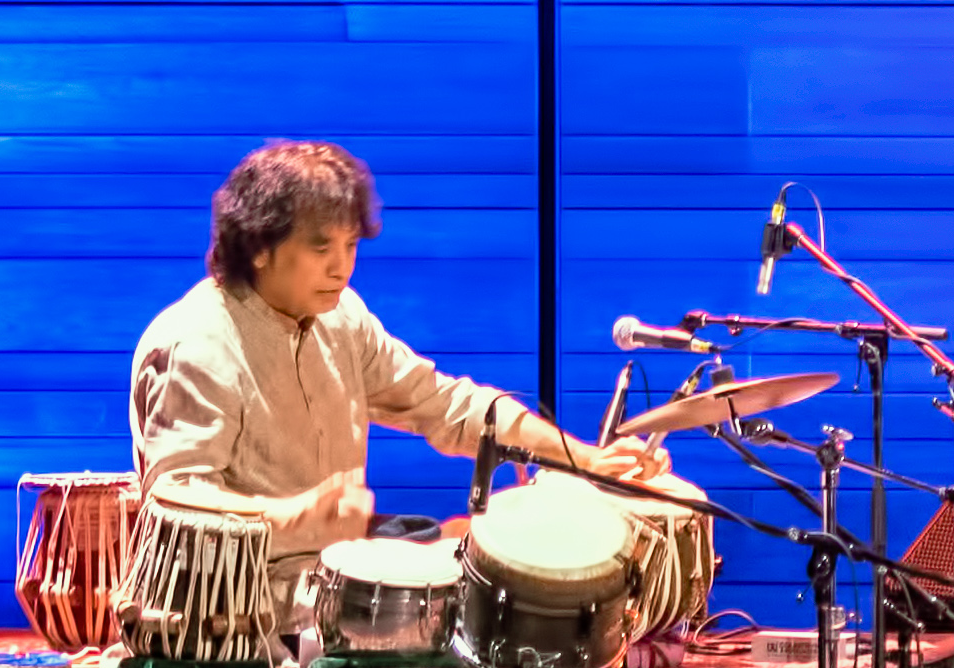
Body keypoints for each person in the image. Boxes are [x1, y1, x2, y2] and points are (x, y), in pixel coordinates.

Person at [129, 140, 609, 589]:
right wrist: (287, 518)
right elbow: (174, 504)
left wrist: (587, 459)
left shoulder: (341, 318)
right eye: (322, 249)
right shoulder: (198, 344)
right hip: (243, 605)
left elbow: (449, 405)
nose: (342, 267)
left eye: (351, 246)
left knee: (484, 550)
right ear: (258, 247)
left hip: (335, 574)